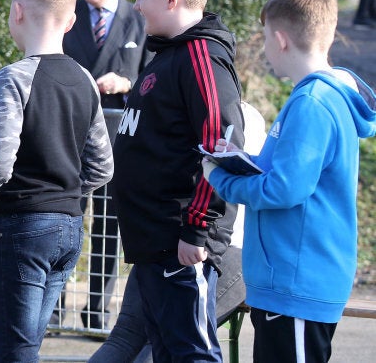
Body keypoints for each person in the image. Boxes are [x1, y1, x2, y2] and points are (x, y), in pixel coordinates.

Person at [202, 0, 376, 363]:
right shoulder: (313, 96)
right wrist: (240, 159)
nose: (265, 47)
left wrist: (220, 178)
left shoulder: (312, 101)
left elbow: (285, 189)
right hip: (290, 281)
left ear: (280, 39)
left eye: (265, 37)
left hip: (297, 284)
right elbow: (288, 174)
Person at [0, 0, 114, 362]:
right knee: (27, 349)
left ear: (17, 12)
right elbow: (102, 166)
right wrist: (64, 194)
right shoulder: (84, 79)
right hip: (68, 226)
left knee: (14, 354)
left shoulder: (14, 78)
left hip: (20, 227)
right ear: (72, 21)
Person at [112, 0, 244, 362]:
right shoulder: (166, 54)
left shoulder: (201, 57)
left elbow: (221, 145)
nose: (136, 6)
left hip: (180, 241)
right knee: (165, 351)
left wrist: (196, 230)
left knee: (193, 353)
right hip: (152, 239)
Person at [89, 102, 266, 363]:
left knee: (128, 337)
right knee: (170, 343)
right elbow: (256, 182)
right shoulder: (240, 113)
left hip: (164, 233)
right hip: (217, 243)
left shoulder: (166, 104)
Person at [56, 0, 151, 332]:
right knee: (62, 223)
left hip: (117, 143)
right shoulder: (67, 15)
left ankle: (96, 312)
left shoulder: (141, 19)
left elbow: (155, 76)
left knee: (109, 231)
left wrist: (127, 83)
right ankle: (53, 308)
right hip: (66, 138)